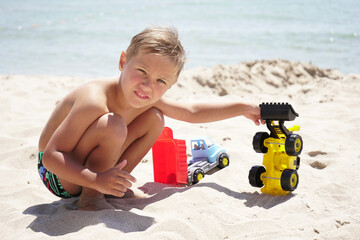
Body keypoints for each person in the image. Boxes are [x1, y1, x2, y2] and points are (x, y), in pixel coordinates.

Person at [37, 26, 264, 211]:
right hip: (58, 174)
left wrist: (244, 107)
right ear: (123, 61)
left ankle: (112, 186)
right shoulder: (94, 101)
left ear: (171, 85)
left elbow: (192, 112)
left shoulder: (149, 98)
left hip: (87, 169)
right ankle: (92, 198)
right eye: (142, 71)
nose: (148, 86)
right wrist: (95, 180)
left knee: (155, 119)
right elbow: (51, 156)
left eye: (161, 81)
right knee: (113, 124)